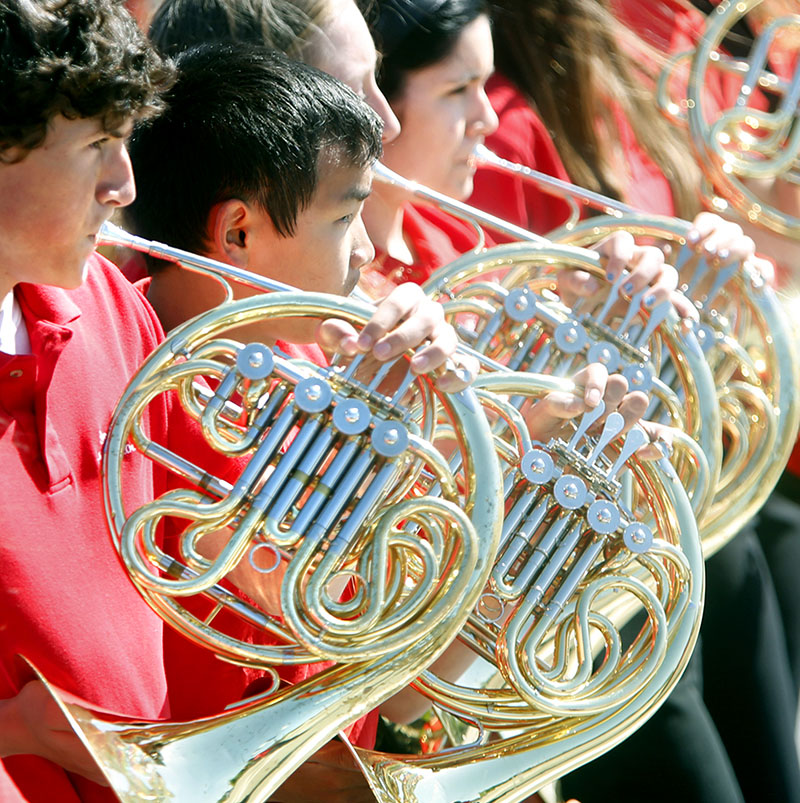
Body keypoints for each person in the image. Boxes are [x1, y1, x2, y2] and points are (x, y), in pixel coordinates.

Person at [0, 4, 472, 801]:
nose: (125, 185)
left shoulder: (115, 314)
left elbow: (276, 599)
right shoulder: (159, 338)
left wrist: (423, 444)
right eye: (96, 147)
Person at [472, 2, 800, 801]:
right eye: (457, 96)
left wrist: (703, 279)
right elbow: (501, 367)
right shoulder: (509, 128)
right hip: (583, 562)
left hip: (686, 503)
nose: (471, 115)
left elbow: (772, 234)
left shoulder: (655, 55)